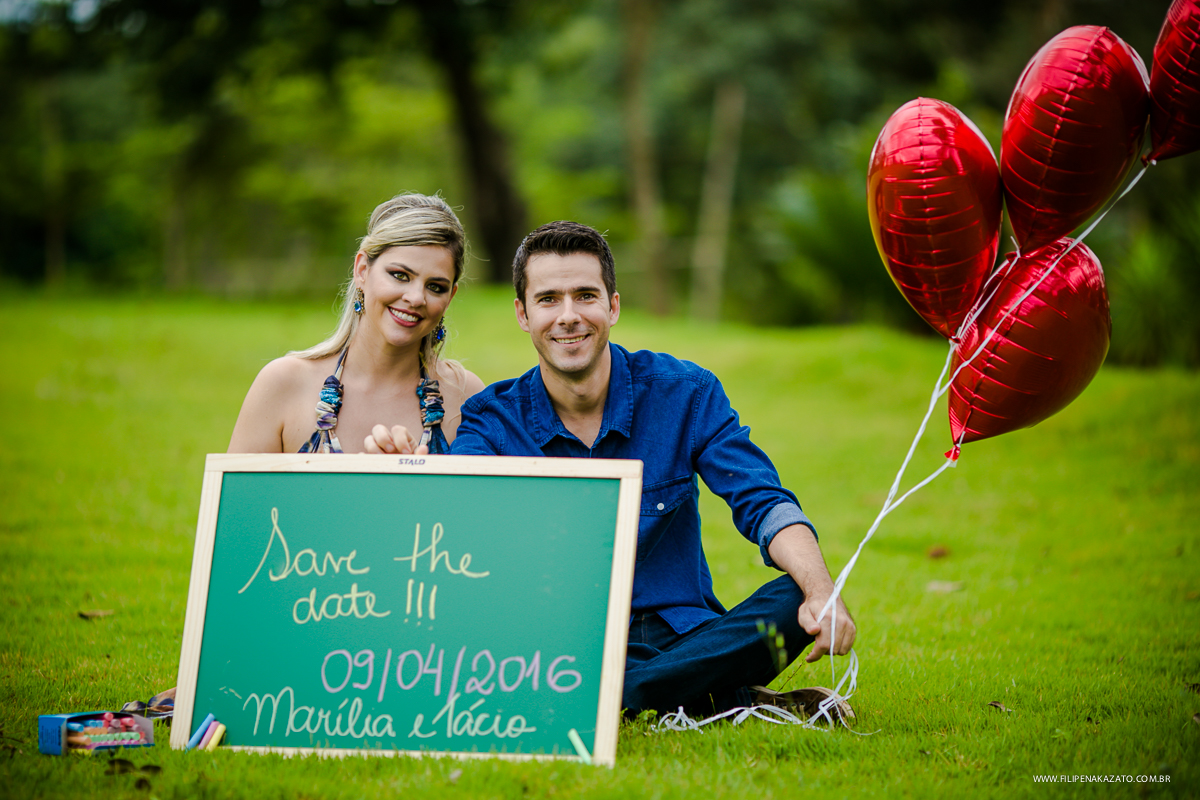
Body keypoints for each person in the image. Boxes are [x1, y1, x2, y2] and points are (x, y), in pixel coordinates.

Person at [367, 221, 855, 719]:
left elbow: (764, 502)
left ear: (613, 306)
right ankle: (716, 695)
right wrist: (408, 477)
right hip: (560, 644)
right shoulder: (491, 419)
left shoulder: (686, 392)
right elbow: (458, 516)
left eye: (585, 296)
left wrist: (822, 591)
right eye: (548, 299)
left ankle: (609, 697)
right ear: (523, 314)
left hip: (682, 634)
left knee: (797, 594)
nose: (569, 316)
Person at [229, 193, 484, 454]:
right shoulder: (283, 384)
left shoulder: (467, 397)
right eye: (400, 275)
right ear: (362, 269)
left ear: (450, 297)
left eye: (435, 287)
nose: (417, 298)